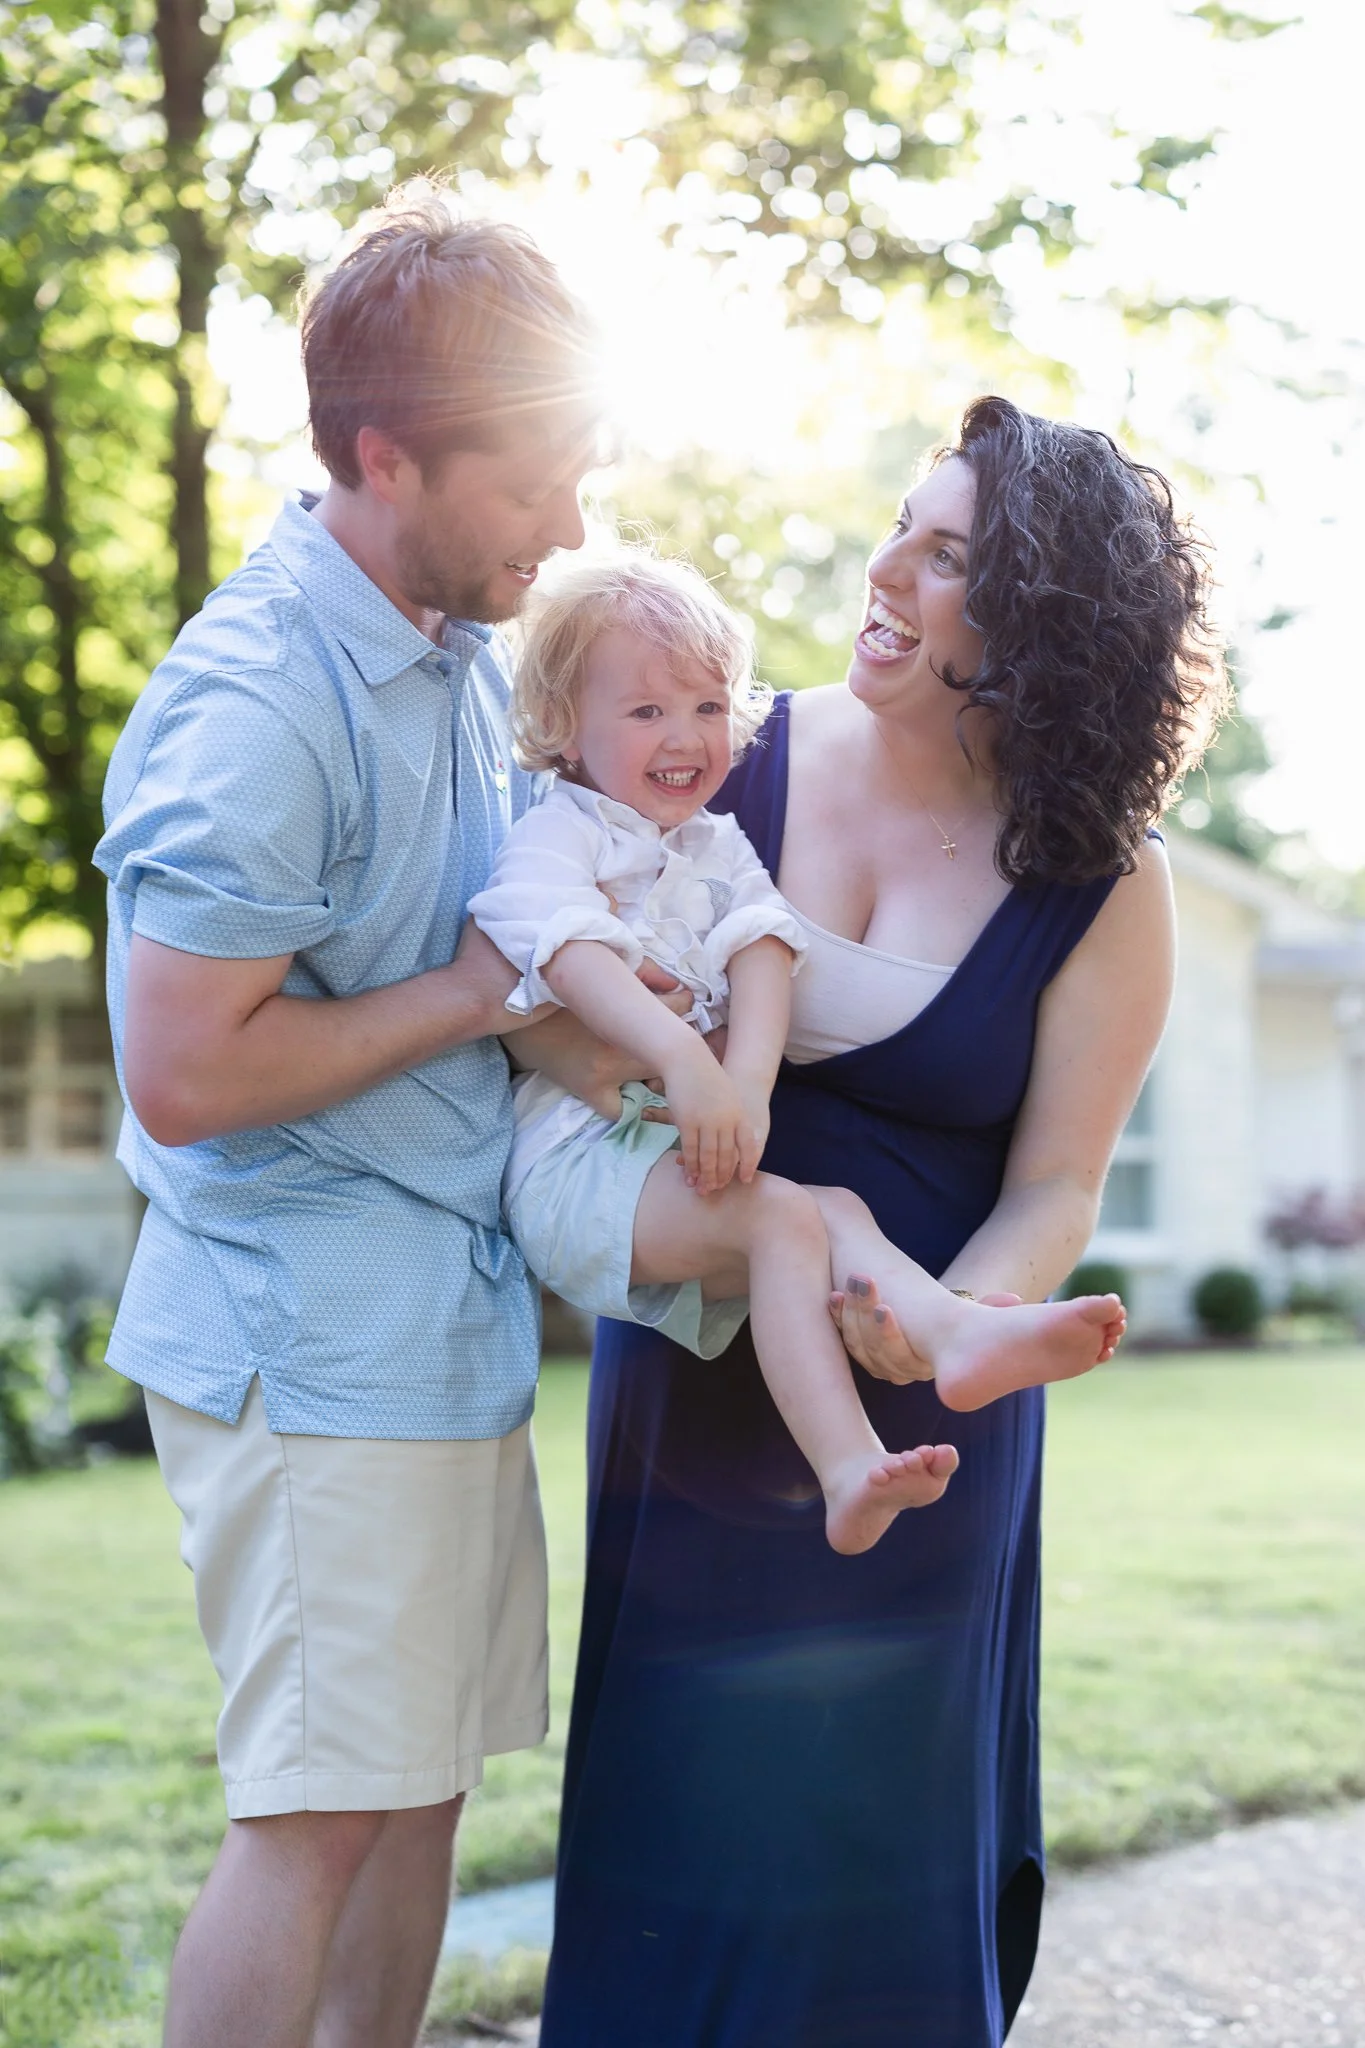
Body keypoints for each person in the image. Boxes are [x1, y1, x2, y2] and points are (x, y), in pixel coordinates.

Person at [533, 397, 1224, 2048]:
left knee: (870, 1845)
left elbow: (1061, 1178)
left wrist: (938, 1318)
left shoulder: (1109, 881)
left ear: (1045, 627)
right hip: (702, 1372)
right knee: (682, 1820)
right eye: (901, 527)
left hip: (924, 1397)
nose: (888, 572)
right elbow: (546, 988)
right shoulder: (719, 751)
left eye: (949, 556)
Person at [93, 191, 604, 2048]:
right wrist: (474, 991)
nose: (570, 527)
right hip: (307, 1351)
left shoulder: (452, 658)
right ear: (387, 455)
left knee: (413, 1795)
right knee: (312, 1819)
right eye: (536, 479)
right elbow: (186, 1069)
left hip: (435, 1327)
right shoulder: (260, 705)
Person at [470, 553, 1126, 1553]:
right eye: (645, 711)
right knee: (782, 1217)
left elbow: (766, 942)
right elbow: (564, 953)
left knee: (836, 1211)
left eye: (704, 704)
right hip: (573, 1162)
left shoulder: (711, 842)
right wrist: (683, 1061)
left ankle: (956, 1330)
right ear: (562, 723)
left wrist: (749, 1086)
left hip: (651, 1152)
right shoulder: (560, 836)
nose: (685, 736)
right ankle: (847, 1467)